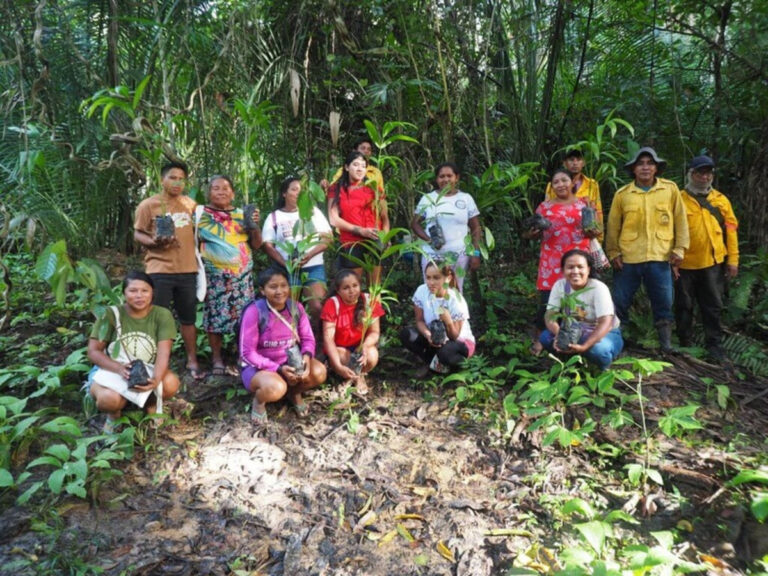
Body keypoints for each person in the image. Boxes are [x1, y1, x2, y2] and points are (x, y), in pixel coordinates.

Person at [606, 147, 689, 352]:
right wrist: (613, 252)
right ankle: (615, 343)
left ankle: (666, 346)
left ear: (656, 168)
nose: (645, 167)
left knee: (664, 302)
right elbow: (613, 226)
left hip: (660, 256)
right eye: (640, 164)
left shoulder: (670, 189)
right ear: (633, 169)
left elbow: (680, 220)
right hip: (628, 257)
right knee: (620, 302)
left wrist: (680, 249)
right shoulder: (623, 194)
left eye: (650, 163)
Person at [134, 161, 206, 380]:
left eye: (181, 179)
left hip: (187, 269)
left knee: (188, 318)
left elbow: (201, 232)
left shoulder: (191, 205)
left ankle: (192, 359)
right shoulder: (149, 205)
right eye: (172, 177)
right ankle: (154, 362)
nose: (177, 183)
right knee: (157, 317)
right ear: (162, 179)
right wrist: (154, 242)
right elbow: (138, 233)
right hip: (159, 269)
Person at [86, 271, 181, 433]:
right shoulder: (111, 314)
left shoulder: (162, 315)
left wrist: (156, 379)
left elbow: (163, 353)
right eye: (133, 291)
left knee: (171, 383)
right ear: (124, 293)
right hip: (112, 370)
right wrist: (119, 368)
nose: (139, 296)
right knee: (109, 399)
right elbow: (93, 351)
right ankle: (113, 416)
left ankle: (151, 406)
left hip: (147, 369)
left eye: (144, 291)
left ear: (152, 293)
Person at [238, 269, 326, 424]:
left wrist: (306, 358)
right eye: (273, 287)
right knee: (276, 387)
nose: (279, 291)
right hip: (260, 368)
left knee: (319, 372)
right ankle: (259, 401)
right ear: (262, 290)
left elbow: (308, 339)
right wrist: (278, 369)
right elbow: (247, 353)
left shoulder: (296, 308)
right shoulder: (255, 311)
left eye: (283, 286)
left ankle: (294, 393)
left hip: (290, 363)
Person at [197, 175, 262, 376]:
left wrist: (254, 226)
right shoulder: (200, 215)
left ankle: (242, 355)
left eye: (225, 188)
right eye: (216, 188)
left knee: (245, 317)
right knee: (214, 318)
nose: (221, 192)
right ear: (209, 193)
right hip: (215, 277)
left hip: (242, 278)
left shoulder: (243, 214)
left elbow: (257, 244)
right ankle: (217, 358)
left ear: (233, 193)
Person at [675, 155, 739, 362]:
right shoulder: (678, 199)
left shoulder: (721, 200)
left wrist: (733, 260)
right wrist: (672, 260)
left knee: (712, 306)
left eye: (708, 173)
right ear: (691, 174)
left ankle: (714, 346)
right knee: (684, 305)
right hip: (684, 264)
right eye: (700, 173)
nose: (704, 177)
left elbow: (731, 231)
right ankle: (685, 343)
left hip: (713, 264)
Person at [526, 169, 593, 354]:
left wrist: (592, 230)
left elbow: (595, 230)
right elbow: (531, 233)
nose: (561, 184)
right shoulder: (544, 207)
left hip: (577, 259)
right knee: (548, 300)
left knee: (579, 298)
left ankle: (578, 338)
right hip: (552, 260)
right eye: (556, 182)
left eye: (564, 180)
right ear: (552, 186)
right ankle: (540, 339)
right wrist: (532, 233)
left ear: (572, 183)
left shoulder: (584, 204)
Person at [261, 176, 332, 327]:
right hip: (286, 269)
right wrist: (286, 263)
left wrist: (309, 255)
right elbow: (267, 245)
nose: (298, 193)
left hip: (313, 266)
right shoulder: (274, 217)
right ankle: (291, 337)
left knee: (318, 307)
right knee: (288, 308)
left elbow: (328, 238)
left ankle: (316, 337)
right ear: (284, 194)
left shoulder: (313, 212)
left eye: (301, 190)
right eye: (294, 189)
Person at [539, 249, 624, 370]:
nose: (575, 271)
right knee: (545, 338)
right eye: (570, 267)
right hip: (572, 330)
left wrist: (585, 346)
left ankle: (602, 369)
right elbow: (550, 315)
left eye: (580, 267)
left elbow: (606, 321)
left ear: (588, 269)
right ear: (563, 270)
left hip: (604, 332)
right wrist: (560, 336)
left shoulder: (598, 288)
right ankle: (570, 363)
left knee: (599, 350)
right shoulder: (560, 286)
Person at [411, 162, 482, 292]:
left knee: (455, 291)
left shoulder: (466, 199)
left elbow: (476, 228)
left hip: (459, 255)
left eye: (449, 176)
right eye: (441, 176)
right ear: (437, 179)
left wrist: (475, 253)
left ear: (457, 178)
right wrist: (430, 241)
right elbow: (415, 223)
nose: (445, 179)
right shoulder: (428, 199)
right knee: (432, 291)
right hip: (432, 255)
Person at [399, 260, 476, 375]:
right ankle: (433, 363)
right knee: (407, 334)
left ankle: (455, 366)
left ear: (448, 278)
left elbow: (455, 336)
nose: (431, 282)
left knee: (446, 353)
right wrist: (428, 335)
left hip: (458, 342)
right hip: (434, 338)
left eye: (436, 278)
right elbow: (419, 321)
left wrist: (448, 322)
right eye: (428, 278)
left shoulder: (455, 300)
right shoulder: (422, 291)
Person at [326, 151, 390, 283]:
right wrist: (359, 230)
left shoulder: (374, 188)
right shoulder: (336, 188)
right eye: (355, 165)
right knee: (353, 285)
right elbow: (333, 218)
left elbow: (384, 217)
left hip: (375, 239)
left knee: (375, 286)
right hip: (351, 241)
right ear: (346, 167)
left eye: (363, 166)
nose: (360, 169)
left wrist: (385, 237)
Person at [321, 270, 384, 395]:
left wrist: (365, 346)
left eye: (355, 285)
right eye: (346, 288)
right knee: (339, 355)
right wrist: (338, 366)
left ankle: (358, 375)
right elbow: (328, 339)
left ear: (360, 286)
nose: (352, 291)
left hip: (360, 347)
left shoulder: (369, 301)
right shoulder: (332, 304)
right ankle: (349, 375)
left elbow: (375, 332)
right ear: (338, 291)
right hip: (340, 349)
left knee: (372, 355)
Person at [545, 149, 603, 239]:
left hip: (585, 236)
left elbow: (598, 210)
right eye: (571, 160)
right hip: (559, 235)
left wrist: (599, 238)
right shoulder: (554, 185)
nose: (575, 163)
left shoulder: (592, 184)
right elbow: (547, 210)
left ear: (583, 163)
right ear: (565, 163)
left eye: (579, 160)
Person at [320, 136, 384, 193]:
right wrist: (325, 187)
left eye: (369, 149)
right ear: (354, 151)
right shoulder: (343, 170)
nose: (366, 151)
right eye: (363, 148)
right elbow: (332, 191)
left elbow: (381, 195)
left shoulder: (376, 172)